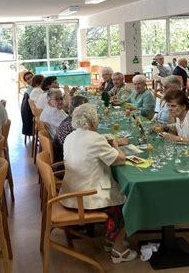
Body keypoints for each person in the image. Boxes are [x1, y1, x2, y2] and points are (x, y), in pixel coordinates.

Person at [60, 104, 136, 263]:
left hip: (69, 192)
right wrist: (115, 144)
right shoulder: (95, 139)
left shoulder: (71, 136)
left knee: (116, 191)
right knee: (126, 202)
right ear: (92, 122)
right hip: (85, 197)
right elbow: (120, 160)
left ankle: (110, 240)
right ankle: (118, 250)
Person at [53, 95, 88, 162]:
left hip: (66, 155)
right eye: (86, 108)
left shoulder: (71, 119)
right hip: (66, 162)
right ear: (78, 109)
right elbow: (79, 149)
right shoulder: (71, 125)